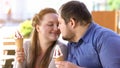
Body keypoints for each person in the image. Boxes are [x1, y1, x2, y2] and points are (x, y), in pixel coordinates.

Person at [55, 1, 120, 68]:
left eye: (60, 23)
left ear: (72, 23)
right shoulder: (71, 43)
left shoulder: (106, 39)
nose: (58, 27)